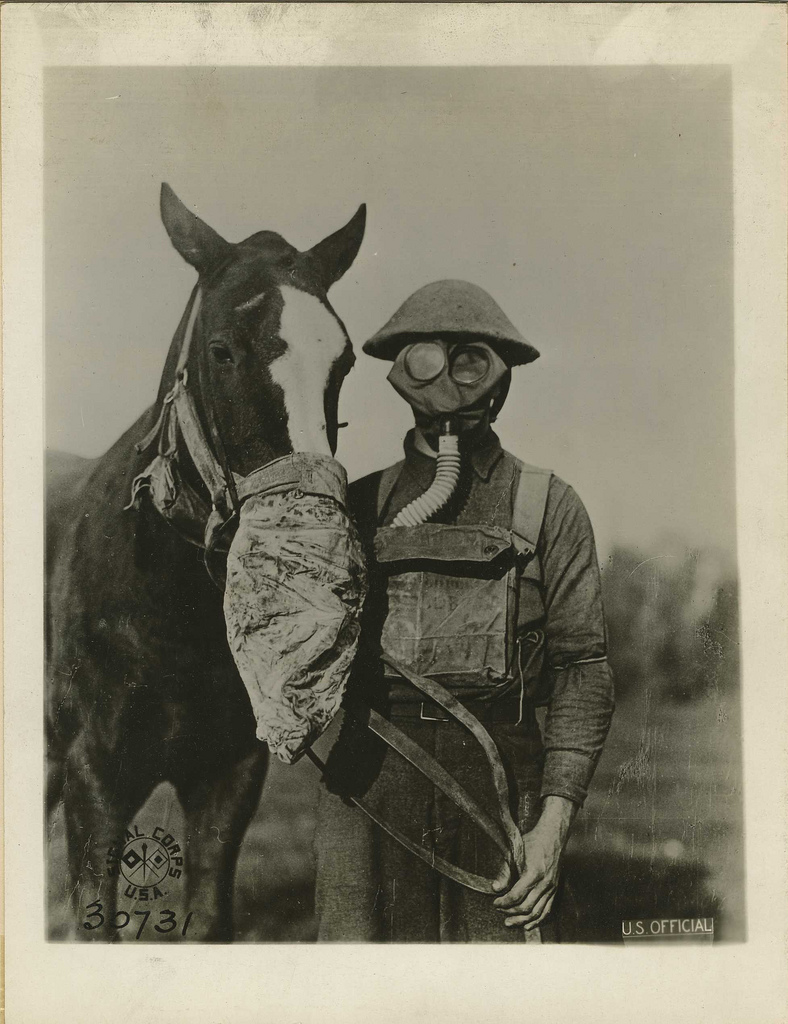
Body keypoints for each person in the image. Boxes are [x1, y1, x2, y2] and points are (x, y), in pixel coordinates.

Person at [314, 280, 615, 942]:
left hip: (501, 776)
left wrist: (553, 827)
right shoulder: (353, 508)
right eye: (428, 359)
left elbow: (582, 668)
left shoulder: (546, 504)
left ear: (500, 377)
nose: (449, 384)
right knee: (358, 983)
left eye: (470, 360)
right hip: (374, 775)